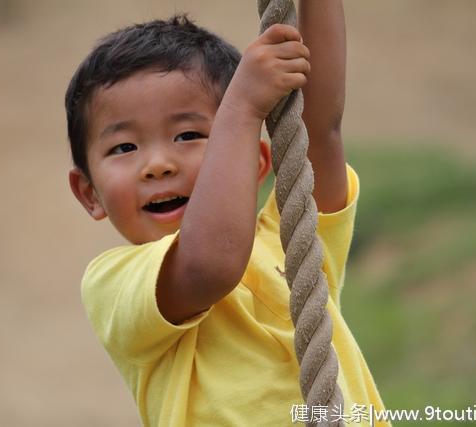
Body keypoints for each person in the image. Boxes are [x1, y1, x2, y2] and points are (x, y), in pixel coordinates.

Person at [66, 2, 389, 425]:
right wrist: (240, 109)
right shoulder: (115, 283)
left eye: (188, 135)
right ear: (89, 193)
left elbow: (320, 128)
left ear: (255, 163)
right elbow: (210, 266)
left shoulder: (292, 239)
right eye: (125, 147)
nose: (158, 163)